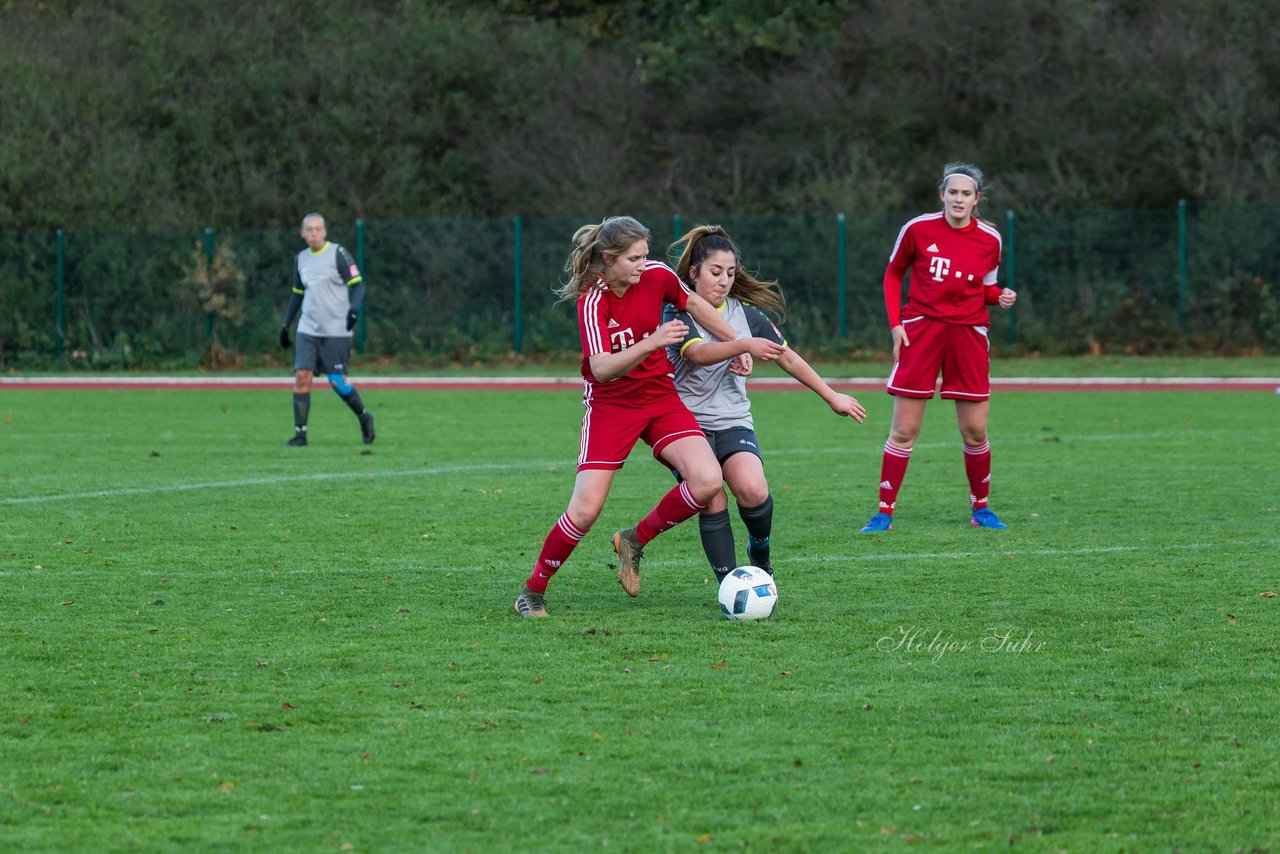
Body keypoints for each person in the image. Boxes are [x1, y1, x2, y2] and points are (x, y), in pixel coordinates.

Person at [514, 216, 786, 618]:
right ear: (609, 259)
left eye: (645, 255)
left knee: (709, 481)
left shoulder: (657, 275)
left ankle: (633, 540)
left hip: (660, 398)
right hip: (612, 407)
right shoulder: (593, 300)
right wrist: (651, 343)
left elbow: (695, 304)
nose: (645, 264)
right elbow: (602, 368)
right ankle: (533, 590)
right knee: (585, 510)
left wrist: (737, 343)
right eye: (634, 258)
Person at [665, 225, 866, 581]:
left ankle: (759, 549)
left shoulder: (746, 316)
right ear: (694, 273)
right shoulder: (676, 311)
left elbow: (786, 357)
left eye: (730, 273)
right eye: (715, 272)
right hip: (685, 424)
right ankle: (729, 584)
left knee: (754, 489)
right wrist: (743, 346)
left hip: (732, 420)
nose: (724, 280)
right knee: (712, 495)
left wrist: (830, 395)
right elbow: (697, 354)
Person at [860, 162, 1017, 533]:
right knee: (904, 430)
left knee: (976, 431)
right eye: (953, 192)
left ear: (976, 199)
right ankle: (884, 512)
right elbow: (893, 273)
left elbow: (984, 288)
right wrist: (896, 325)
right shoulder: (917, 229)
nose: (958, 199)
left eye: (966, 193)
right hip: (922, 330)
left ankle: (981, 509)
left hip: (969, 333)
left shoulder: (990, 239)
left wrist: (1001, 295)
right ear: (942, 195)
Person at [279, 212, 375, 447]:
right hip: (308, 328)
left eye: (317, 229)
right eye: (309, 229)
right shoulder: (301, 259)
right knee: (302, 376)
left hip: (336, 330)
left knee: (337, 383)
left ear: (325, 232)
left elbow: (359, 285)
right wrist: (286, 324)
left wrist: (354, 310)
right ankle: (300, 434)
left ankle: (364, 416)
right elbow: (297, 294)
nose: (313, 233)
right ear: (302, 234)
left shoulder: (338, 254)